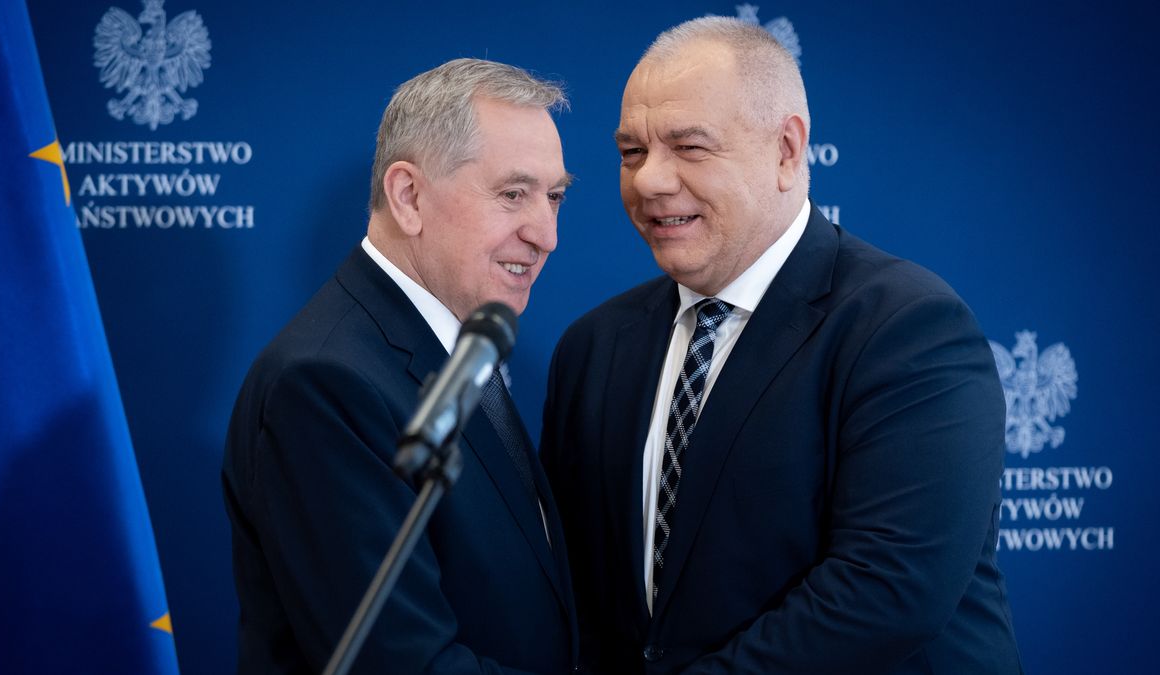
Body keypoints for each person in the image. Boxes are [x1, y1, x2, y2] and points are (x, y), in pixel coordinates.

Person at [541, 18, 1021, 675]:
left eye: (689, 147)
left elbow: (888, 590)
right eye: (631, 152)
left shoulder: (909, 328)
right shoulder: (592, 349)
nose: (649, 181)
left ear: (788, 151)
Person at [223, 58, 577, 674]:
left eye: (554, 197)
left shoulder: (456, 341)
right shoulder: (324, 384)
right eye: (512, 194)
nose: (545, 234)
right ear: (408, 196)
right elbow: (402, 663)